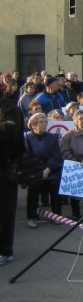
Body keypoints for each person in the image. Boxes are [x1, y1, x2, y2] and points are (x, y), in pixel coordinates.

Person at [0, 83, 25, 266]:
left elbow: (8, 131)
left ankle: (5, 250)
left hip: (6, 168)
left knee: (4, 210)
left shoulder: (9, 109)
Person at [23, 113, 63, 228]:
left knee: (55, 183)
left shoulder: (52, 138)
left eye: (46, 122)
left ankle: (57, 214)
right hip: (34, 171)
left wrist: (48, 169)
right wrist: (39, 171)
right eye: (41, 122)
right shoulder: (26, 138)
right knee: (34, 186)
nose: (44, 124)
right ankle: (32, 217)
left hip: (50, 170)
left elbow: (56, 156)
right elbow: (26, 158)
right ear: (33, 125)